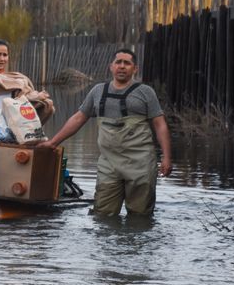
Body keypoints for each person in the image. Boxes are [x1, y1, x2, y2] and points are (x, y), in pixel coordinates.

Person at [38, 48, 172, 216]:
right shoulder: (98, 91)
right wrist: (52, 142)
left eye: (127, 63)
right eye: (118, 62)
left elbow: (160, 125)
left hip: (140, 163)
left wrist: (166, 158)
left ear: (135, 69)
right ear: (111, 66)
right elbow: (78, 118)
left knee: (140, 216)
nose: (122, 66)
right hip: (109, 164)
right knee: (102, 215)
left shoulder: (145, 92)